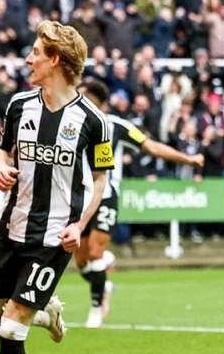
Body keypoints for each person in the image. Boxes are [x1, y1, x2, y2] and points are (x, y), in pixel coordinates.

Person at [0, 21, 112, 354]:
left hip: (53, 239)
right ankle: (45, 315)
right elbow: (0, 154)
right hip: (10, 230)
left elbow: (101, 179)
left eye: (35, 52)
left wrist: (80, 225)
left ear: (56, 60)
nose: (28, 58)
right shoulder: (18, 106)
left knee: (11, 327)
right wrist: (1, 169)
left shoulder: (94, 121)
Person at [74, 78, 204, 328]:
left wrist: (187, 159)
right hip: (78, 198)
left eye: (83, 96)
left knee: (94, 252)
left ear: (94, 100)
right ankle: (104, 284)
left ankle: (95, 308)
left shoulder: (117, 126)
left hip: (105, 195)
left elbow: (151, 146)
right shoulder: (71, 124)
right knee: (81, 261)